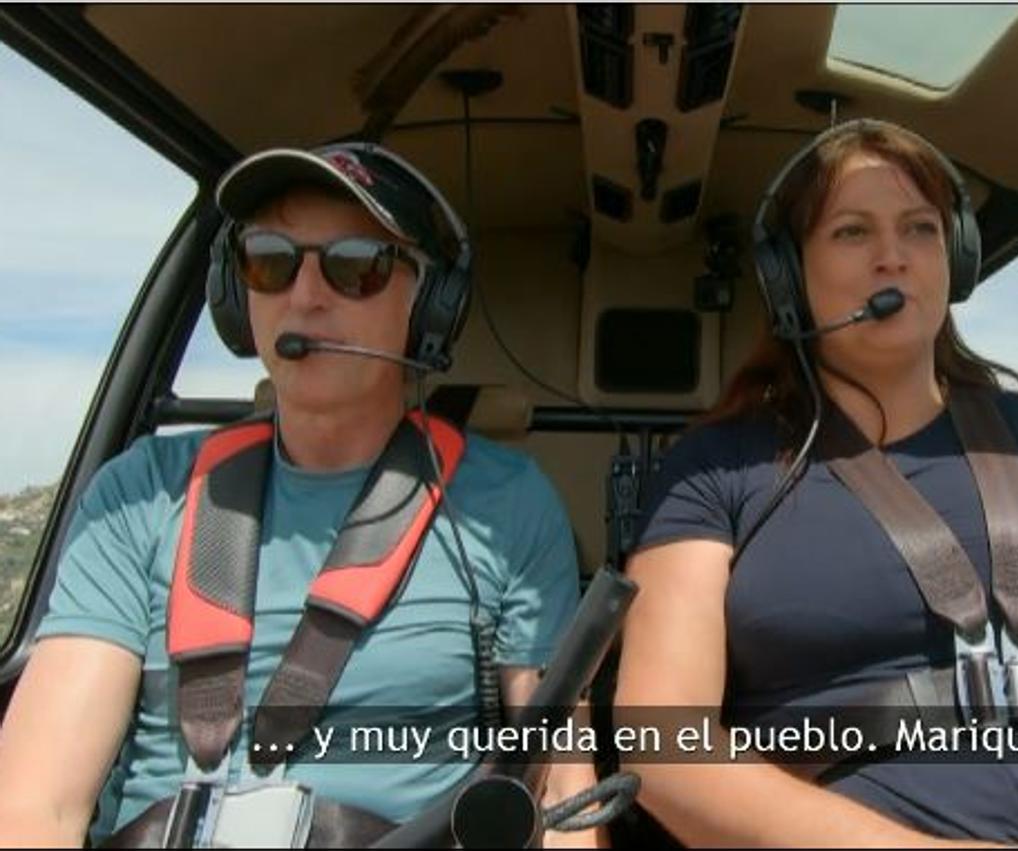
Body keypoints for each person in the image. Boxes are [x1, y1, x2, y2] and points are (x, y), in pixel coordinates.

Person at [615, 119, 1018, 848]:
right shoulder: (716, 470)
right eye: (852, 232)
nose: (893, 257)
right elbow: (662, 739)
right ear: (788, 272)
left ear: (954, 257)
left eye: (920, 229)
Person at [0, 142, 598, 846]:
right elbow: (37, 803)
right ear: (235, 289)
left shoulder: (506, 506)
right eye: (270, 259)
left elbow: (559, 791)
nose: (305, 295)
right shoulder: (140, 492)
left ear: (430, 305)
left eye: (356, 266)